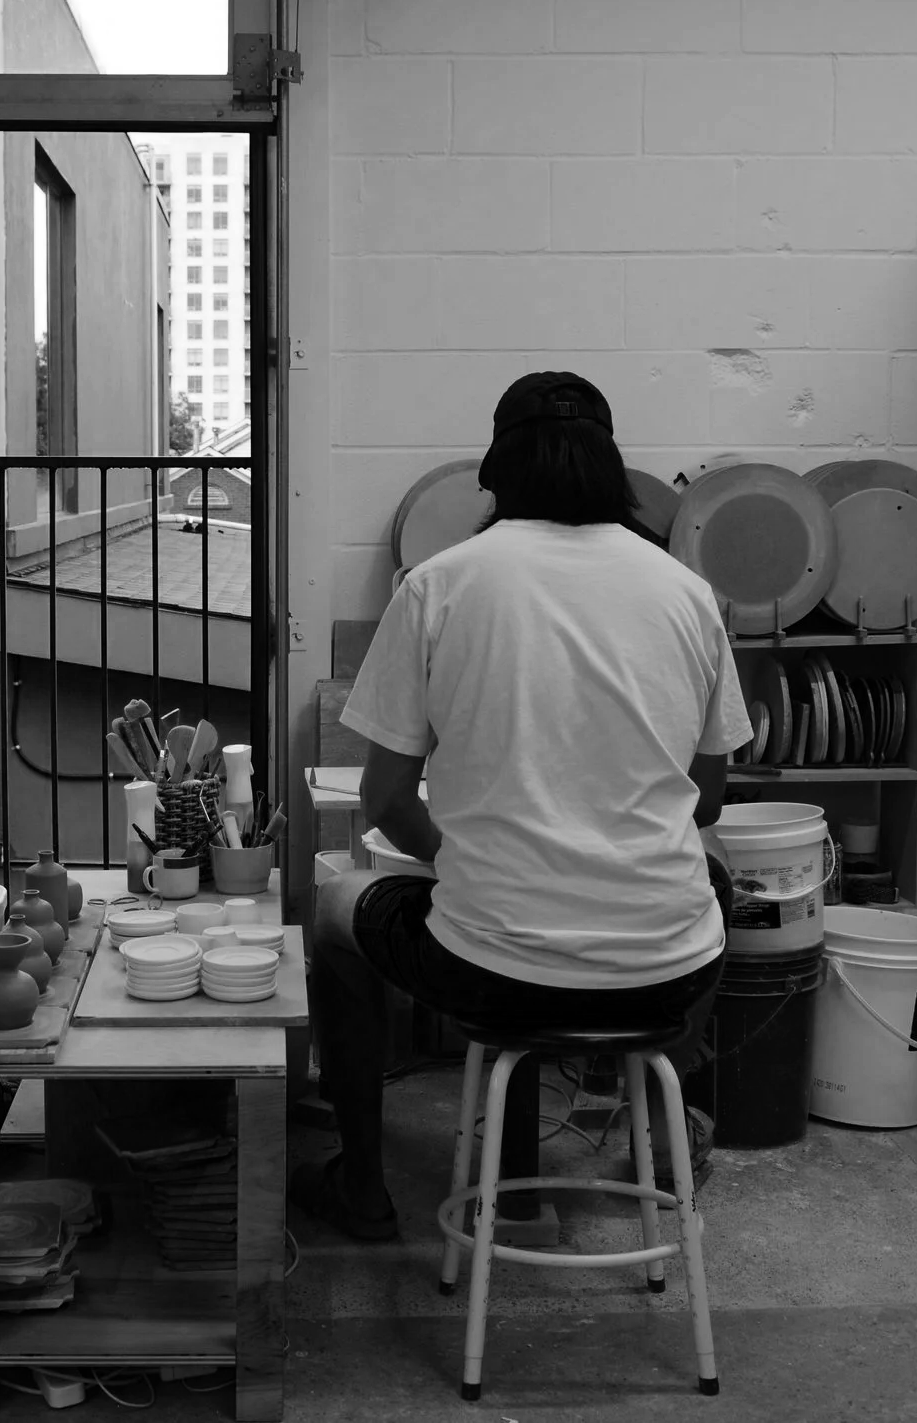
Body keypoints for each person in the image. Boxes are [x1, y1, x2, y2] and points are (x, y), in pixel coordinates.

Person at [294, 372, 751, 1242]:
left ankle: (361, 1182)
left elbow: (383, 798)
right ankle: (660, 1129)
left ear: (496, 470)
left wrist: (465, 855)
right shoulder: (686, 593)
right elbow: (708, 800)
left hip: (491, 968)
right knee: (712, 888)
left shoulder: (438, 584)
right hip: (665, 969)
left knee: (332, 911)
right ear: (611, 467)